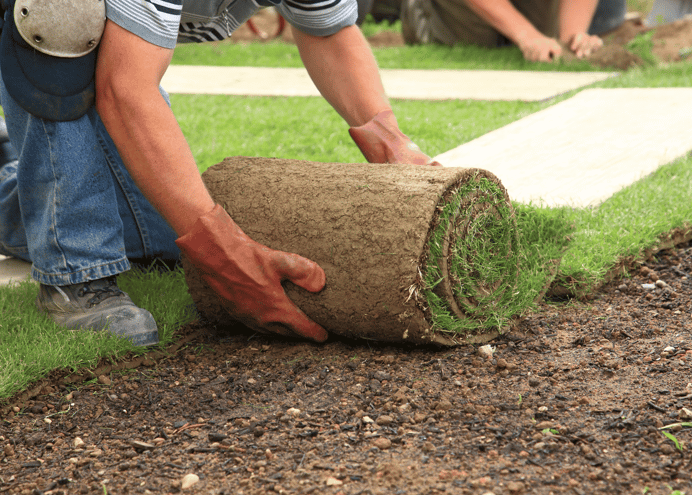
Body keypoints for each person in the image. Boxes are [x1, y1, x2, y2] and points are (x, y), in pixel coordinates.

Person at [0, 0, 437, 347]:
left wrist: (390, 142)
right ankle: (76, 273)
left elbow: (329, 32)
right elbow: (125, 90)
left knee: (157, 238)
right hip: (49, 20)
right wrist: (219, 250)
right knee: (62, 16)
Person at [400, 0, 627, 62]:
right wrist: (525, 34)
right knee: (477, 39)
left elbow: (567, 39)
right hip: (445, 17)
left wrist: (571, 38)